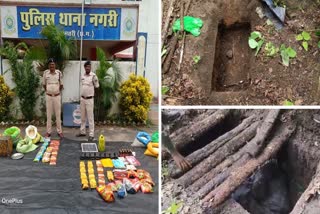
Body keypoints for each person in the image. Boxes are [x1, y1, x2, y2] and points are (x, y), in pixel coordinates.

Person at [76, 61, 99, 141]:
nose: (88, 68)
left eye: (89, 66)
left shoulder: (94, 76)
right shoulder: (82, 76)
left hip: (89, 100)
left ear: (90, 67)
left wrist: (93, 96)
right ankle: (82, 132)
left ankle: (91, 134)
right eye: (86, 67)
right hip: (82, 99)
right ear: (84, 67)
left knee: (90, 118)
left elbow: (97, 87)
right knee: (82, 117)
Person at [43, 58, 64, 138]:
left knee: (58, 115)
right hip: (48, 97)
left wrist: (56, 91)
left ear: (55, 65)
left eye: (53, 65)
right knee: (48, 115)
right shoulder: (45, 73)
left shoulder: (59, 73)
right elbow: (44, 85)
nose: (52, 66)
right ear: (49, 66)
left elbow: (61, 84)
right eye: (50, 65)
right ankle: (48, 132)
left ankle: (60, 131)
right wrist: (49, 91)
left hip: (57, 97)